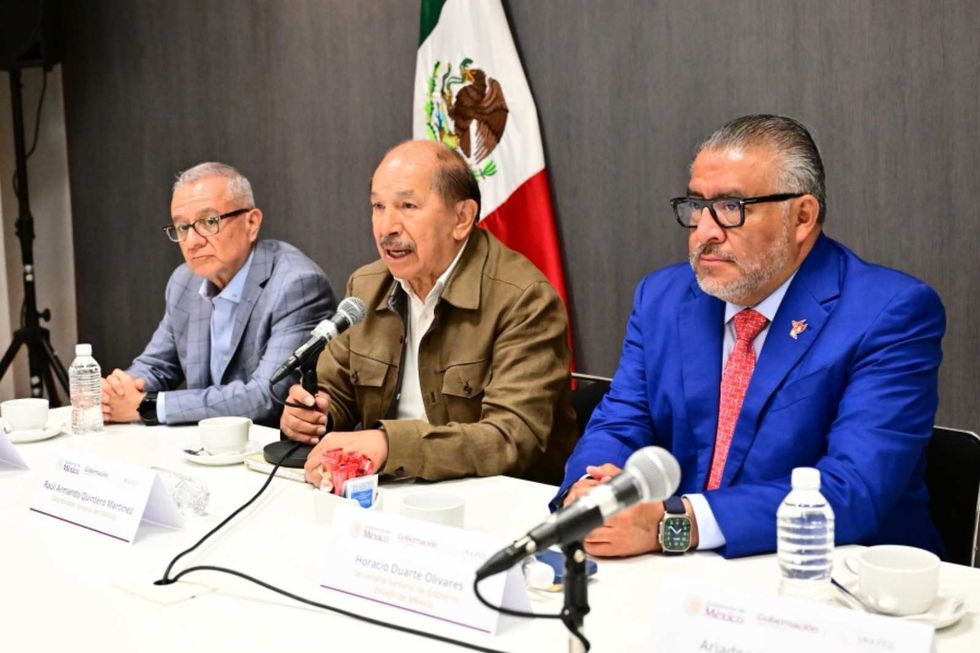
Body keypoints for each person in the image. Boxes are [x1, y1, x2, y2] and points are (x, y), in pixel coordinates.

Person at [557, 115, 945, 559]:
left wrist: (673, 524)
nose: (704, 232)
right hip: (678, 576)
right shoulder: (662, 297)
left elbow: (853, 489)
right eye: (697, 205)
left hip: (837, 580)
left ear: (801, 217)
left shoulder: (889, 312)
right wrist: (589, 491)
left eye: (730, 208)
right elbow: (622, 419)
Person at [280, 140, 575, 485]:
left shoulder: (524, 300)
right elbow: (336, 391)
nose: (386, 227)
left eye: (407, 206)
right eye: (378, 206)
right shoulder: (366, 286)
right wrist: (315, 416)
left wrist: (391, 446)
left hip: (495, 504)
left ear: (461, 218)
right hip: (391, 494)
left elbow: (508, 439)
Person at [101, 162, 336, 427]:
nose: (192, 241)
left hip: (263, 454)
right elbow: (157, 365)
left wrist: (148, 407)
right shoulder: (184, 282)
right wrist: (115, 394)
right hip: (203, 450)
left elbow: (266, 397)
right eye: (182, 228)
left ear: (252, 223)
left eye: (209, 222)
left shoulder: (296, 286)